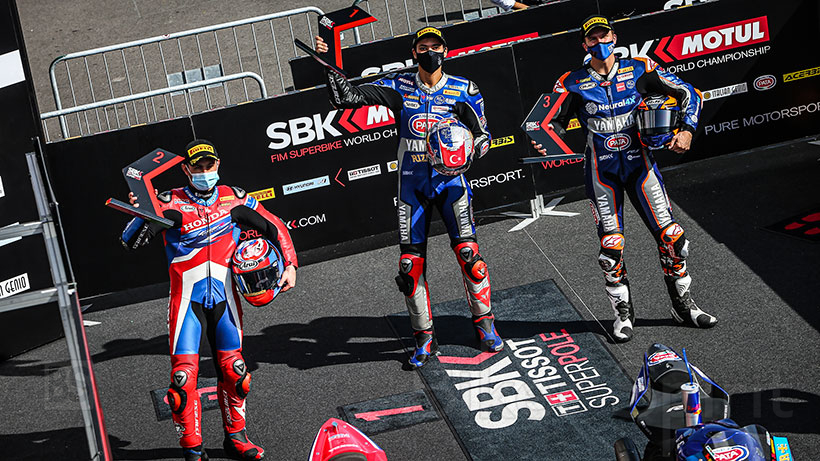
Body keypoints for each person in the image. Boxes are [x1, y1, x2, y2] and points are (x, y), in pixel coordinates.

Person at [314, 26, 502, 368]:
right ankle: (424, 337)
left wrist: (468, 151)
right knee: (409, 266)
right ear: (414, 53)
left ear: (445, 50)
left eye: (435, 46)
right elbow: (346, 98)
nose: (430, 52)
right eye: (423, 47)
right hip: (411, 187)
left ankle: (484, 323)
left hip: (452, 184)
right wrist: (328, 63)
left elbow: (484, 135)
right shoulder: (398, 86)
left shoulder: (465, 89)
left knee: (469, 256)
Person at [532, 15, 717, 342]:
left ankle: (683, 306)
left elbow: (690, 92)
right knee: (611, 248)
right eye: (592, 38)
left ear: (614, 38)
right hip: (601, 172)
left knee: (673, 238)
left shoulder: (640, 67)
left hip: (641, 166)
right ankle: (623, 314)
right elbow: (546, 122)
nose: (599, 42)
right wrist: (546, 142)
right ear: (584, 44)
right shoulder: (571, 81)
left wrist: (687, 130)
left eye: (604, 36)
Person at [121, 139, 297, 460]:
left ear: (217, 164)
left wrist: (291, 264)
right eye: (197, 167)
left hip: (225, 300)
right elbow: (129, 241)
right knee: (183, 380)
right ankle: (192, 450)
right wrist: (142, 211)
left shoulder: (234, 198)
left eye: (209, 165)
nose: (204, 171)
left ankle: (236, 439)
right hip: (186, 301)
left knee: (236, 372)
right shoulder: (170, 201)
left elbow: (274, 225)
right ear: (186, 169)